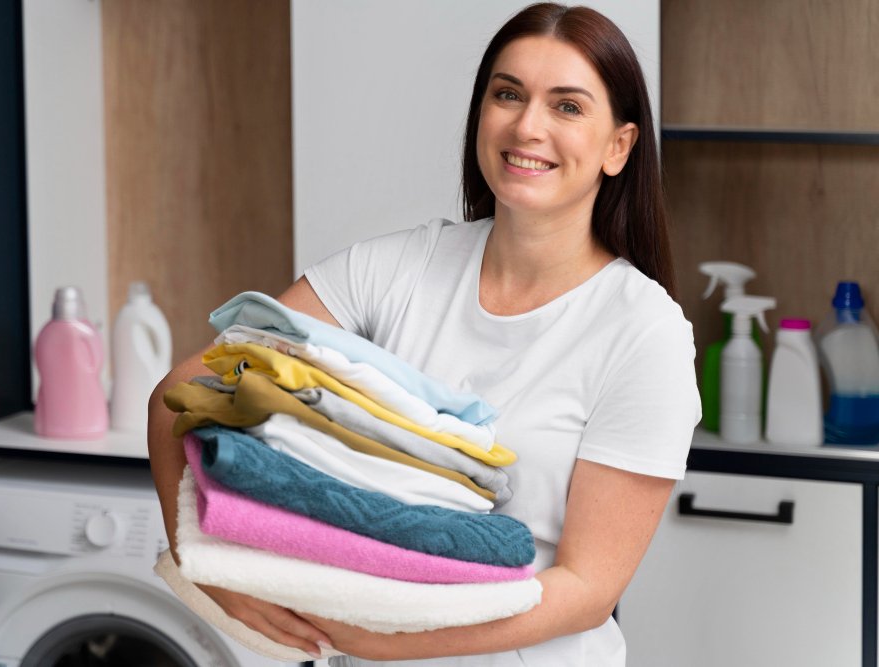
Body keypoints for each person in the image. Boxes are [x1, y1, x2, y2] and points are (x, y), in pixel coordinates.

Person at [147, 3, 701, 665]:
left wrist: (392, 639)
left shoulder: (644, 333)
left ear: (619, 146)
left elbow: (586, 587)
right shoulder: (393, 269)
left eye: (567, 106)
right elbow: (181, 392)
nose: (528, 126)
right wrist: (203, 557)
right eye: (508, 94)